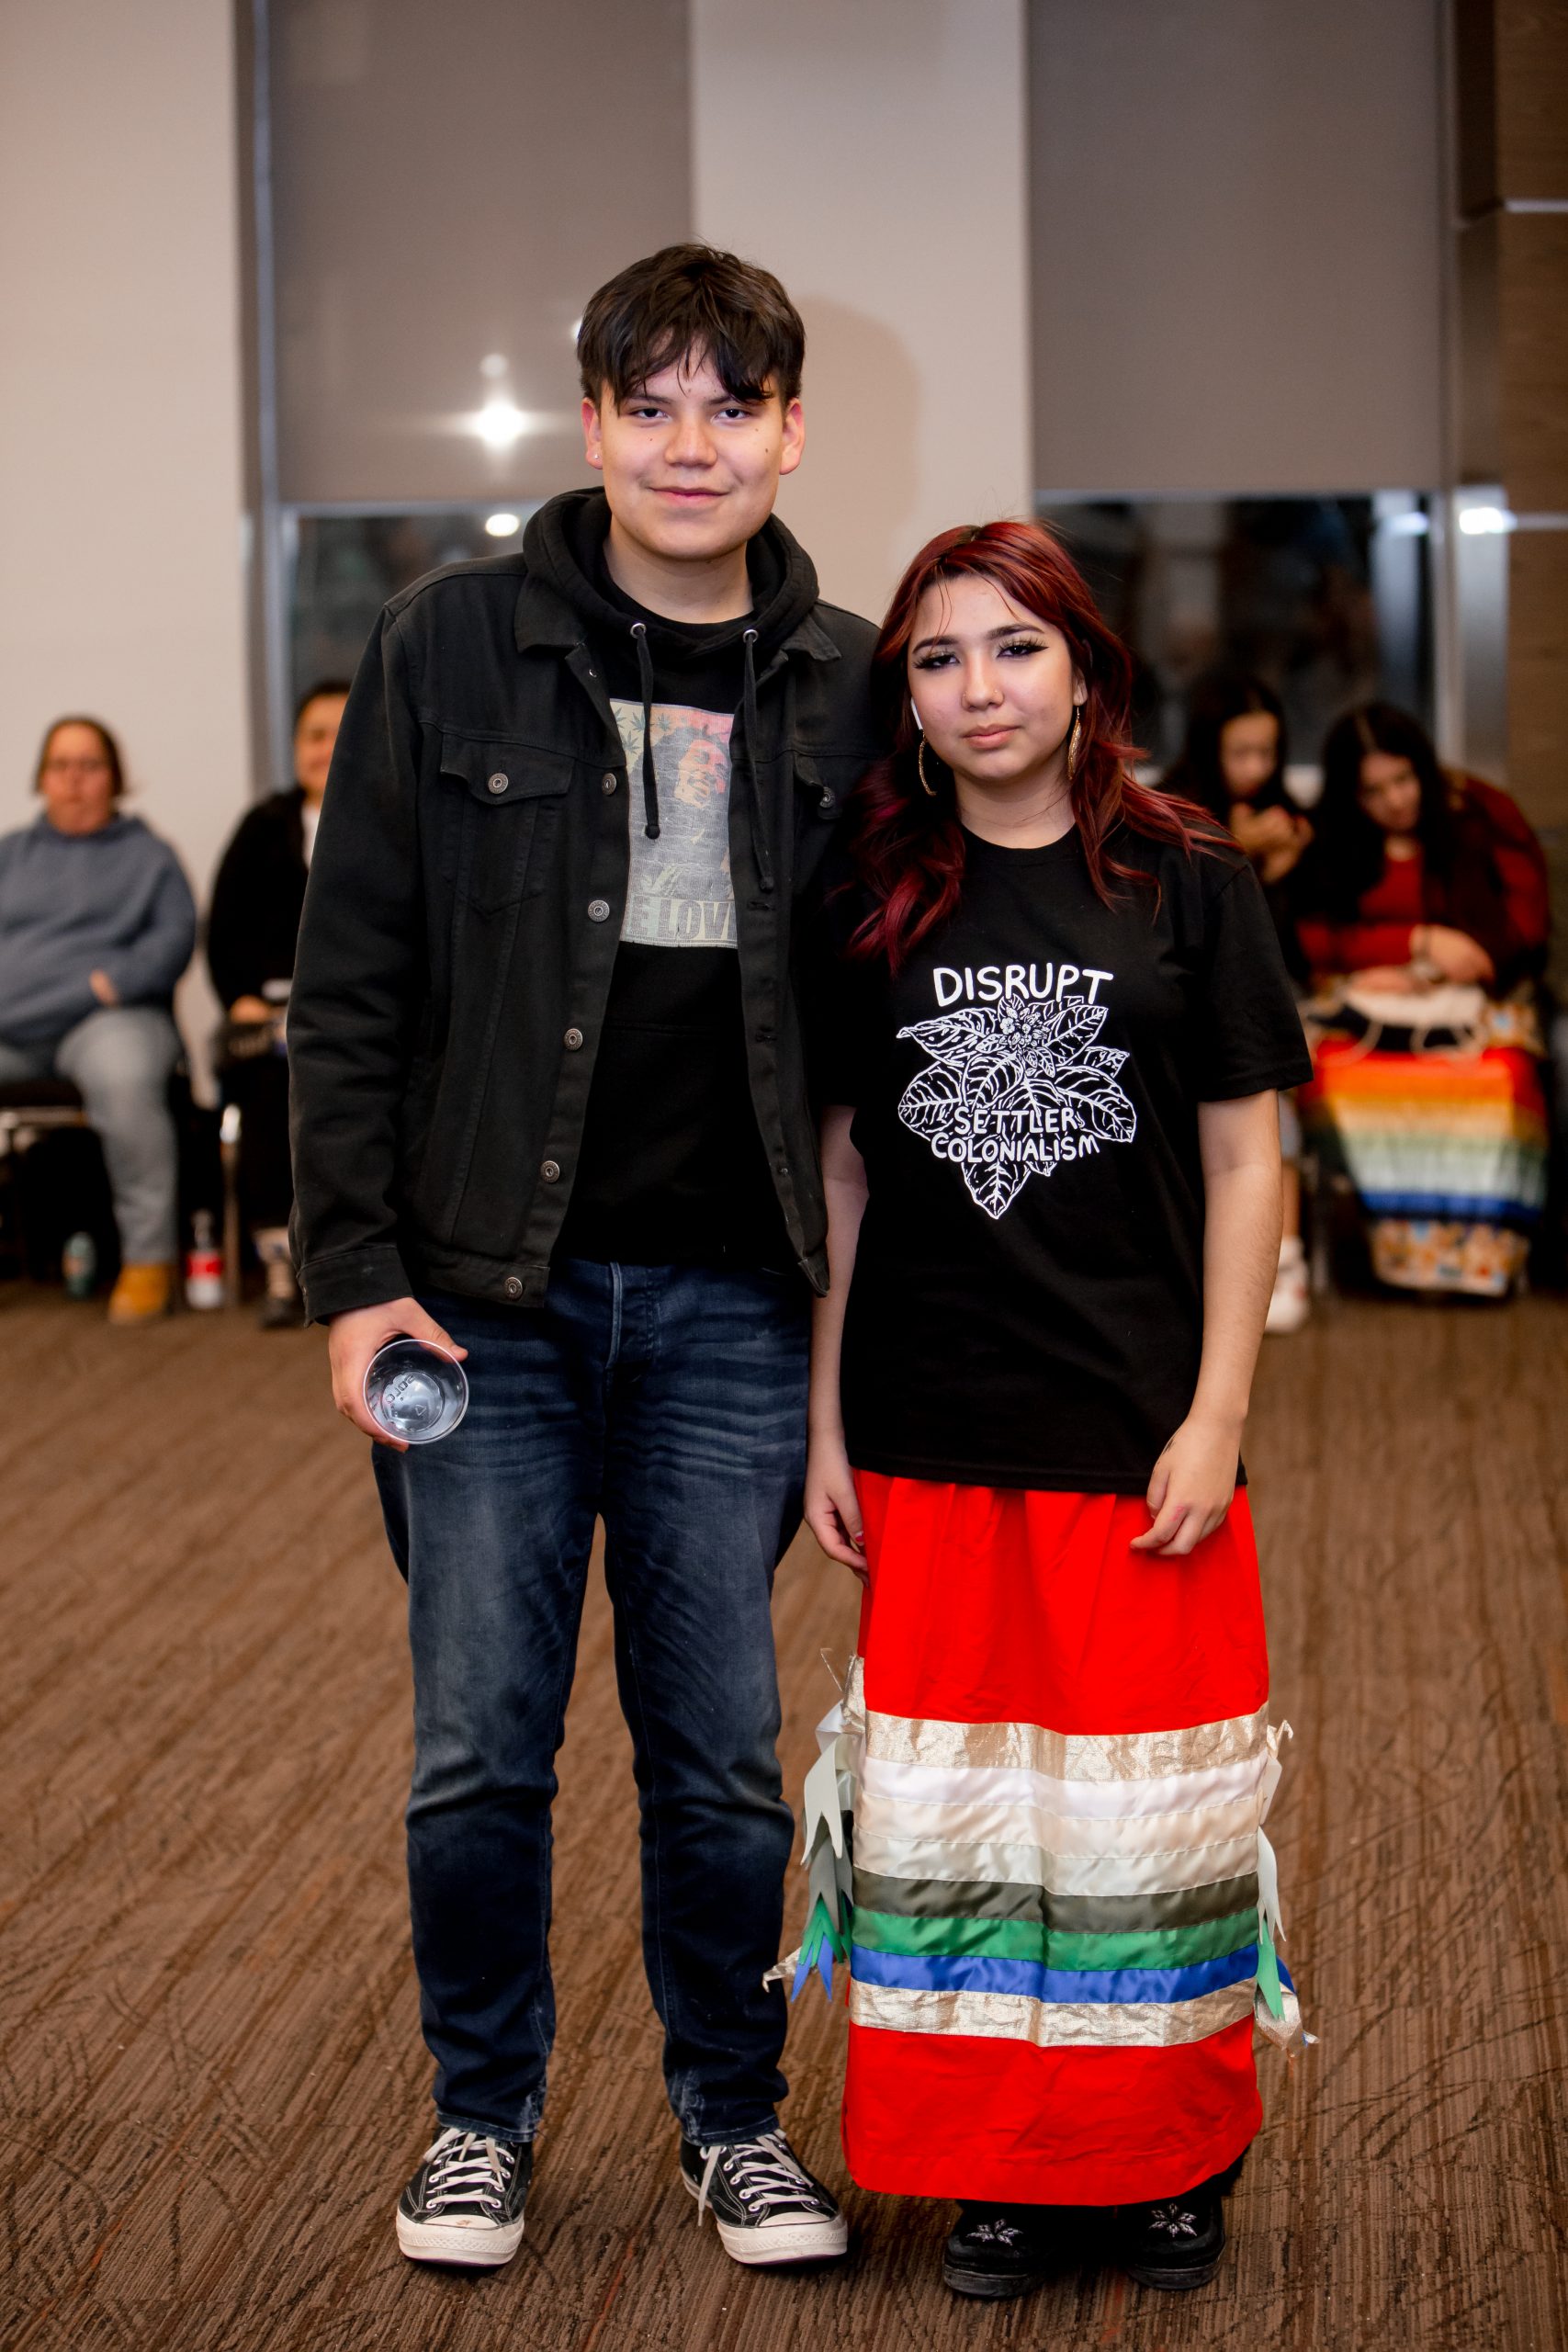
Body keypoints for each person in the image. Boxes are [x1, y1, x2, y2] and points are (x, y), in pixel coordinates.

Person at [288, 245, 879, 2272]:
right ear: (593, 425)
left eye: (732, 406)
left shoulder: (851, 682)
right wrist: (354, 1275)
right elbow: (348, 988)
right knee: (479, 1748)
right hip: (483, 1301)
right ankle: (480, 2116)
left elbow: (887, 1032)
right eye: (652, 405)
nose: (690, 444)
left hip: (734, 1304)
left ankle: (733, 2117)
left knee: (719, 1758)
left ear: (789, 432)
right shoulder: (449, 645)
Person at [798, 521, 1312, 2305]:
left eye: (1014, 647)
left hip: (1134, 1430)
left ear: (1084, 670)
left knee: (1143, 1826)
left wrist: (1216, 1410)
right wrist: (822, 1423)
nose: (979, 689)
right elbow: (841, 1170)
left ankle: (1164, 2157)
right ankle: (992, 2167)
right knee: (963, 1829)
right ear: (907, 697)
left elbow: (1247, 1163)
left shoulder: (1188, 878)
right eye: (937, 659)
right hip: (932, 1427)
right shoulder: (869, 892)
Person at [1293, 704, 1550, 1297]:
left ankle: (1480, 1258)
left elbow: (1522, 926)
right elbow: (1311, 936)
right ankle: (1394, 1254)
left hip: (1472, 1002)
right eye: (1373, 791)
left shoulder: (1476, 818)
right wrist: (1412, 943)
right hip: (1363, 1008)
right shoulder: (1329, 840)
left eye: (1403, 780)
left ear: (1423, 770)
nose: (1394, 801)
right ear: (1350, 797)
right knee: (1331, 1074)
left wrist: (1436, 968)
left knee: (1504, 1075)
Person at [0, 718, 196, 1324]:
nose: (74, 780)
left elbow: (171, 943)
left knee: (124, 1077)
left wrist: (111, 985)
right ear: (42, 778)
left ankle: (147, 1260)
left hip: (110, 1023)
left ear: (114, 778)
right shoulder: (11, 856)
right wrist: (80, 985)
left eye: (89, 765)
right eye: (61, 766)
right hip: (14, 1029)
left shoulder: (150, 858)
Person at [1164, 673, 1313, 1333]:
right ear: (1209, 748)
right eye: (1241, 752)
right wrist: (1236, 856)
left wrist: (1282, 876)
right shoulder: (1169, 815)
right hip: (1182, 996)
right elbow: (1160, 923)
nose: (1257, 767)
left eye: (1267, 752)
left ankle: (1282, 1256)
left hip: (1270, 999)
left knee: (1266, 1086)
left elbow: (1288, 952)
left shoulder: (1289, 818)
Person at [207, 681, 349, 1328]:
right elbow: (223, 933)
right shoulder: (262, 828)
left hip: (369, 1018)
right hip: (274, 1021)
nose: (326, 749)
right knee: (271, 1082)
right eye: (314, 736)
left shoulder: (401, 820)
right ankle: (278, 1263)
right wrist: (240, 998)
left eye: (341, 733)